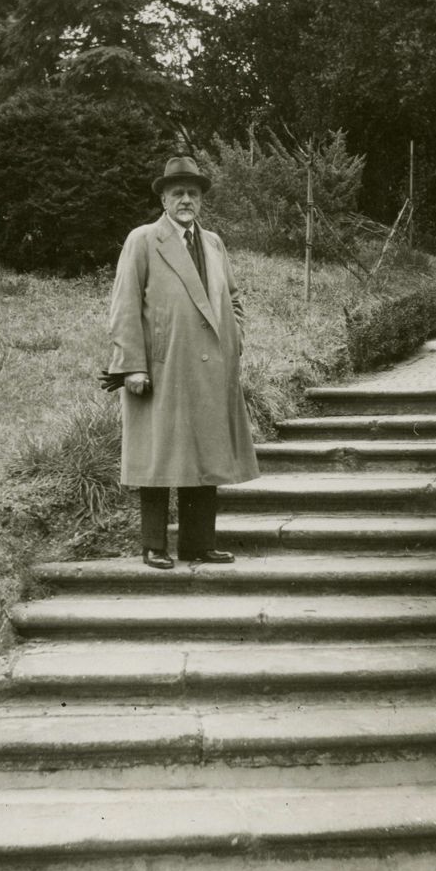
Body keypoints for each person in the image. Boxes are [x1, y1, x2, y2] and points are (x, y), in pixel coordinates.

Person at [109, 155, 259, 568]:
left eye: (193, 193)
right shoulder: (142, 239)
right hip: (162, 366)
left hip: (212, 367)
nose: (186, 200)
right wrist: (132, 365)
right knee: (156, 455)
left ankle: (198, 544)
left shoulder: (212, 242)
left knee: (205, 453)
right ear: (163, 199)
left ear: (202, 201)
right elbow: (124, 306)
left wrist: (235, 339)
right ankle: (154, 546)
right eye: (178, 193)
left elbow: (233, 298)